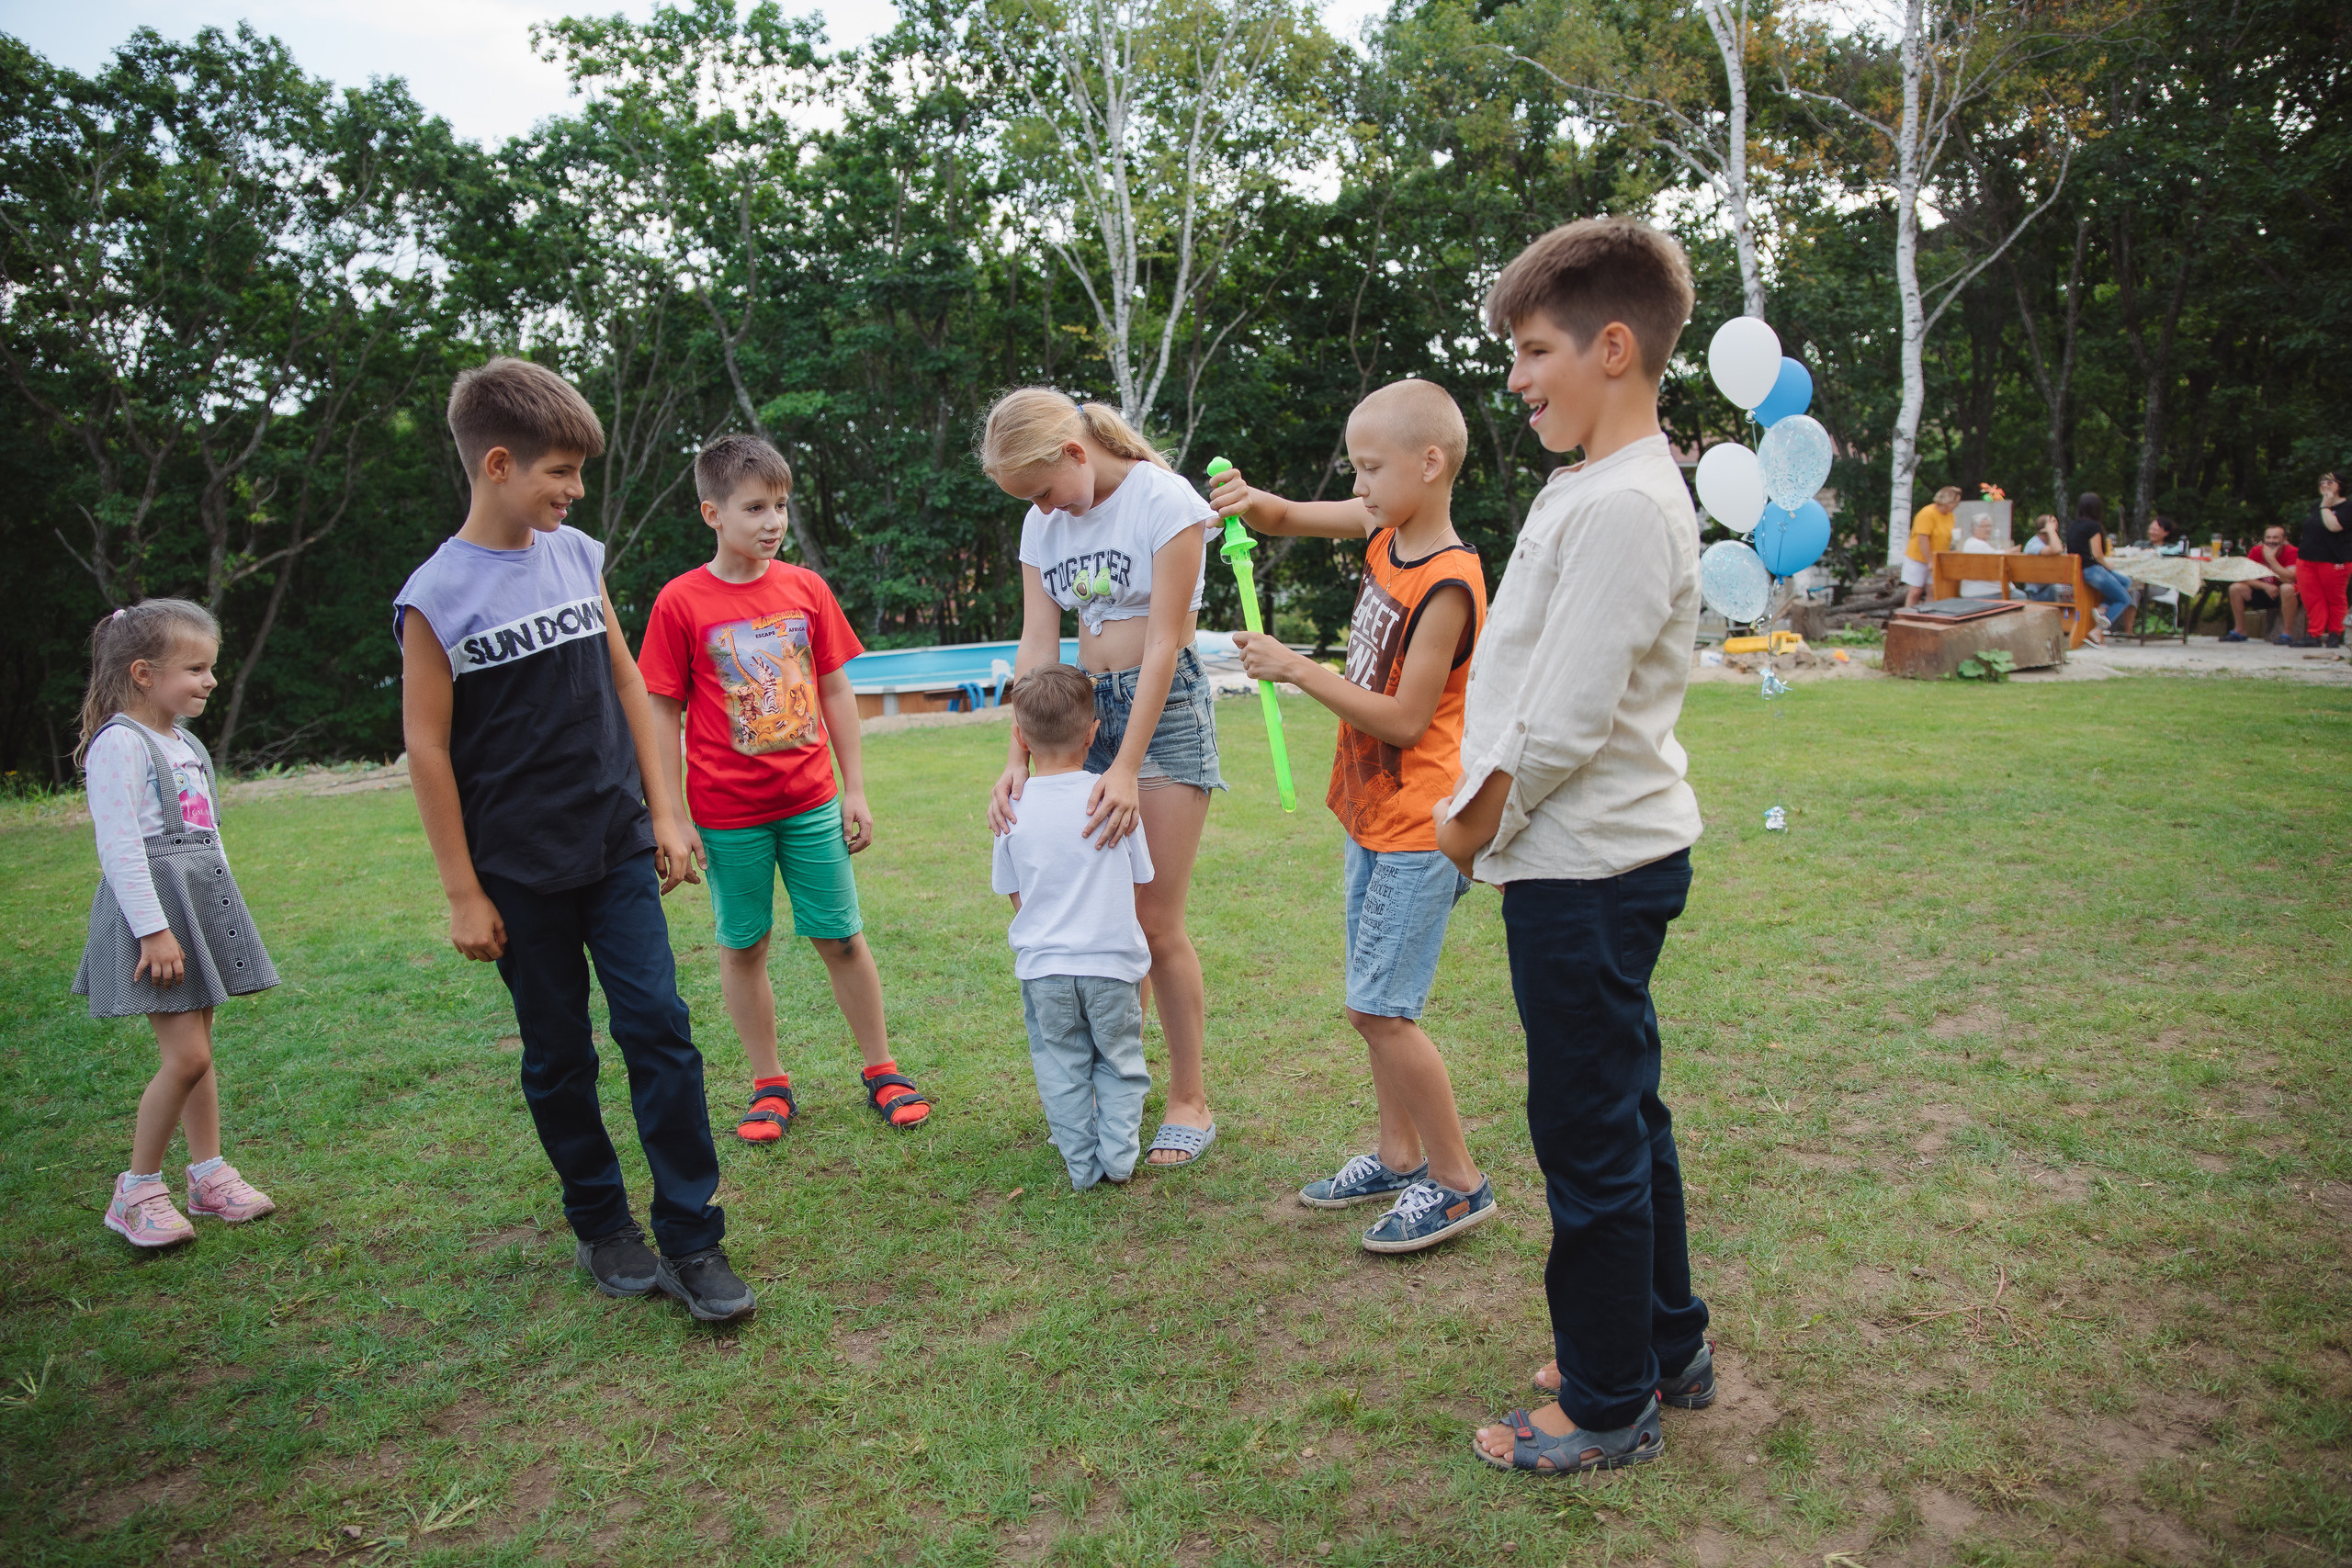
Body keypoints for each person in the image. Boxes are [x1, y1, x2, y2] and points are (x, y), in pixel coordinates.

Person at [395, 357, 752, 1324]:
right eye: (561, 472)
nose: (575, 491)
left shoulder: (577, 555)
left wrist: (665, 812)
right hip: (517, 873)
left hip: (615, 847)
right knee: (559, 1055)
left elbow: (632, 686)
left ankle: (692, 1234)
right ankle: (601, 1222)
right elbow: (426, 747)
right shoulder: (434, 596)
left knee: (660, 1031)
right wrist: (463, 890)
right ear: (499, 464)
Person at [1437, 219, 1712, 1476]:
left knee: (1589, 1131)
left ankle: (1610, 1399)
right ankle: (1663, 1340)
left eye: (1534, 351)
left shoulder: (1625, 505)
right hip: (1589, 859)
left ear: (1615, 347)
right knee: (1626, 1111)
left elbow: (1566, 713)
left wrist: (1472, 822)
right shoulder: (1587, 483)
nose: (1517, 377)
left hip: (1582, 865)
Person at [1206, 378, 1499, 1255]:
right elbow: (1293, 518)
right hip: (1371, 813)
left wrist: (1296, 667)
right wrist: (1254, 505)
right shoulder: (1386, 529)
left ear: (1430, 463)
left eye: (1371, 468)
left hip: (1420, 826)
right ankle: (1397, 1153)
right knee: (1372, 1001)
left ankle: (1457, 1182)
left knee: (1382, 1009)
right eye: (1356, 469)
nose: (1360, 485)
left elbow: (1408, 719)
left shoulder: (1447, 582)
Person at [638, 434, 932, 1144]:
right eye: (755, 507)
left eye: (781, 506)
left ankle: (882, 1069)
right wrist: (670, 817)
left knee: (842, 937)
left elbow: (835, 688)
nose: (774, 522)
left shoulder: (806, 588)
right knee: (744, 945)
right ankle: (770, 1085)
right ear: (712, 512)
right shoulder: (680, 602)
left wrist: (853, 788)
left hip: (811, 805)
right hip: (727, 817)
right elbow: (660, 712)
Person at [981, 389, 1224, 1170]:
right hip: (1081, 713)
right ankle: (1119, 1082)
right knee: (1102, 924)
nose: (1044, 509)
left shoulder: (1165, 501)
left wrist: (1122, 765)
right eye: (1030, 502)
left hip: (1164, 708)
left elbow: (1163, 643)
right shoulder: (1041, 521)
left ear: (1075, 454)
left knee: (1154, 921)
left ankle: (1189, 1098)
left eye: (1044, 489)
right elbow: (1038, 640)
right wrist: (1018, 752)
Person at [74, 600, 279, 1248]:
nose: (210, 680)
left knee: (198, 1054)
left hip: (197, 907)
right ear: (142, 672)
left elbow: (205, 832)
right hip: (155, 916)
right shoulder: (120, 743)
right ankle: (135, 1190)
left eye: (210, 667)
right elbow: (121, 848)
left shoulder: (183, 741)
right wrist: (154, 929)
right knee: (185, 1056)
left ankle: (208, 1174)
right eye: (195, 668)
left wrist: (220, 908)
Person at [989, 665, 1157, 1190]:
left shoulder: (1011, 808)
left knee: (1060, 1064)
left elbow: (1017, 896)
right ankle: (1120, 1157)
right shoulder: (1114, 798)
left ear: (1020, 737)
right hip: (1111, 965)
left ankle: (1080, 1165)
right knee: (1120, 1059)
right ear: (1093, 732)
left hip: (1045, 971)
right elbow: (1137, 883)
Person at [2066, 492, 2135, 642]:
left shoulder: (2073, 525)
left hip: (2078, 570)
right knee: (2124, 599)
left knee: (2126, 582)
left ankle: (2102, 608)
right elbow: (2097, 554)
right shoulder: (2093, 526)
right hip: (2092, 570)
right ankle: (2098, 631)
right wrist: (2107, 565)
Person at [2294, 471, 2349, 649]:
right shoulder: (2315, 506)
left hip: (2334, 561)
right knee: (2311, 598)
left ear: (2341, 485)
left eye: (2329, 481)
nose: (2324, 484)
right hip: (2307, 559)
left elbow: (2334, 526)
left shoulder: (2347, 507)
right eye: (2322, 481)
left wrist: (2326, 505)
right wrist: (2323, 505)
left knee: (2335, 598)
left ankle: (2335, 634)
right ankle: (2314, 634)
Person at [2224, 524, 2300, 643]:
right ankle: (2240, 630)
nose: (2271, 541)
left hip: (2287, 594)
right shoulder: (2257, 551)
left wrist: (2271, 559)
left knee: (2287, 588)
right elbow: (2244, 576)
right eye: (2268, 537)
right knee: (2235, 588)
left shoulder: (2292, 552)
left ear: (2285, 540)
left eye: (2275, 538)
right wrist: (2265, 586)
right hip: (2265, 591)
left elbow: (2290, 578)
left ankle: (2286, 634)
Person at [1901, 485, 1962, 606]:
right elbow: (1922, 539)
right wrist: (1930, 561)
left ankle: (1929, 614)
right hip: (1918, 558)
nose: (1957, 505)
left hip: (1937, 557)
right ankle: (1907, 615)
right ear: (1947, 501)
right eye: (1955, 502)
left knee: (1933, 590)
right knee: (1916, 591)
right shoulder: (1927, 514)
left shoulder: (1950, 516)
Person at [2014, 513, 2064, 603]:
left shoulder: (2049, 543)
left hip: (2049, 588)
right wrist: (2051, 531)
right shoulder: (2033, 544)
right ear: (2046, 528)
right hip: (2038, 593)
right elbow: (2057, 549)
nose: (2056, 525)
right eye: (2052, 523)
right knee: (2059, 589)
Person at [1957, 514, 2008, 598]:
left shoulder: (1970, 542)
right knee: (2020, 596)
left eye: (1989, 526)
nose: (1988, 529)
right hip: (1984, 592)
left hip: (1971, 591)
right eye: (1984, 526)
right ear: (1974, 529)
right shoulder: (1978, 545)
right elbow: (1997, 557)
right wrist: (2008, 552)